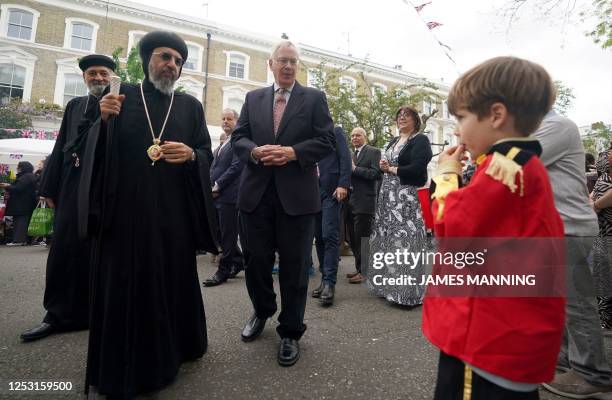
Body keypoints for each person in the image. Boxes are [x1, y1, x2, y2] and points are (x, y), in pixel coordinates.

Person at [80, 31, 218, 399]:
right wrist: (102, 121)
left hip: (172, 218)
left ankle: (171, 353)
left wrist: (191, 155)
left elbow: (207, 154)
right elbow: (90, 152)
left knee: (169, 282)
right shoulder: (120, 96)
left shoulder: (190, 107)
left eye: (178, 60)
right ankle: (122, 368)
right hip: (124, 215)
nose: (171, 65)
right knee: (125, 287)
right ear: (147, 60)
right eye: (164, 56)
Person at [424, 56, 565, 399]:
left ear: (496, 116)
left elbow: (452, 228)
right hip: (505, 332)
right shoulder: (516, 164)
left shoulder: (506, 167)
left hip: (489, 340)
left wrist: (446, 175)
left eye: (461, 117)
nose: (456, 129)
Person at [232, 40, 335, 367]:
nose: (289, 66)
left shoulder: (314, 99)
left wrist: (293, 153)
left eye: (293, 61)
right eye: (283, 61)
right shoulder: (253, 98)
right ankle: (263, 310)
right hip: (256, 195)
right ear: (271, 63)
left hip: (298, 198)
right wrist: (254, 151)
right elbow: (239, 137)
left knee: (295, 267)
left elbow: (326, 140)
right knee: (256, 261)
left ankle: (290, 330)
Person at [19, 54, 116, 342]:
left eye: (103, 73)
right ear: (84, 77)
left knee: (104, 253)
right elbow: (61, 145)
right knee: (65, 250)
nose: (98, 78)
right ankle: (58, 314)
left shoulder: (124, 101)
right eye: (92, 73)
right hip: (74, 187)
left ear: (111, 76)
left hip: (106, 186)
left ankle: (99, 313)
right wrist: (48, 189)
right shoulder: (75, 105)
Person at [534, 111, 612, 398]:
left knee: (576, 303)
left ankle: (592, 374)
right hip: (554, 227)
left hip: (568, 227)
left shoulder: (554, 125)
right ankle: (566, 362)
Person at [368, 106, 432, 306]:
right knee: (386, 240)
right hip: (387, 196)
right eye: (399, 116)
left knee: (405, 242)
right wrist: (383, 167)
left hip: (405, 198)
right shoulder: (393, 141)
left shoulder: (420, 140)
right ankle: (387, 287)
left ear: (415, 120)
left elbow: (418, 168)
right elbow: (385, 165)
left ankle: (406, 294)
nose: (402, 118)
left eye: (407, 115)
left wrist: (392, 169)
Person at [204, 108, 244, 286]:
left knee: (228, 235)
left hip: (229, 195)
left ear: (236, 121)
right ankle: (238, 261)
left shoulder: (238, 141)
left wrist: (218, 185)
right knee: (217, 232)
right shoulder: (223, 142)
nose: (226, 121)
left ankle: (223, 271)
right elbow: (214, 166)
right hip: (216, 195)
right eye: (223, 119)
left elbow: (236, 167)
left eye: (229, 119)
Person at [311, 126, 351, 306]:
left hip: (332, 190)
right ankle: (323, 279)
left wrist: (343, 184)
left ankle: (329, 283)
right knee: (318, 237)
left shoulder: (335, 131)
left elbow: (345, 158)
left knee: (329, 235)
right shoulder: (306, 133)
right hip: (311, 191)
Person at [345, 127, 381, 284]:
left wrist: (355, 169)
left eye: (358, 135)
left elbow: (376, 174)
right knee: (353, 238)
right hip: (350, 202)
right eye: (352, 135)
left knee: (363, 238)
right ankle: (359, 268)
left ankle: (365, 271)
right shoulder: (350, 154)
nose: (354, 137)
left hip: (366, 202)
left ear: (365, 137)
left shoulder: (374, 152)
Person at [591, 150, 612, 331]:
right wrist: (591, 200)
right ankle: (604, 318)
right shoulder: (604, 174)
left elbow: (597, 203)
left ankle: (607, 319)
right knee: (601, 275)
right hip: (601, 231)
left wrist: (595, 205)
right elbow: (593, 193)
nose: (608, 155)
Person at [0, 161, 37, 246]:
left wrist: (7, 186)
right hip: (24, 204)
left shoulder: (26, 177)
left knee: (21, 222)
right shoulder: (28, 176)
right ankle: (21, 240)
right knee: (20, 221)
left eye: (19, 167)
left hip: (22, 204)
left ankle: (19, 240)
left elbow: (19, 188)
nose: (17, 168)